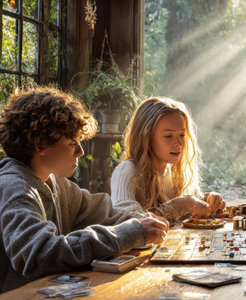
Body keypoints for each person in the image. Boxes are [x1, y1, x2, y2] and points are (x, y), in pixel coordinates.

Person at [0, 87, 169, 293]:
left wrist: (141, 221)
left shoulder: (55, 182)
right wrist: (127, 233)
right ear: (41, 144)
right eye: (73, 143)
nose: (80, 151)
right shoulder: (15, 189)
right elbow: (40, 254)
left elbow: (104, 212)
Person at [111, 97, 225, 223]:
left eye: (182, 135)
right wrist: (182, 204)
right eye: (168, 136)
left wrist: (207, 199)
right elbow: (126, 222)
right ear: (146, 138)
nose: (179, 143)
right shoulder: (126, 171)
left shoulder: (174, 171)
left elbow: (191, 202)